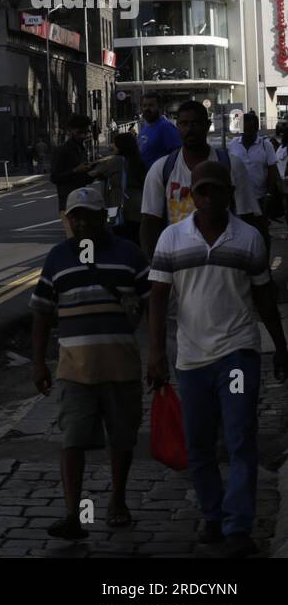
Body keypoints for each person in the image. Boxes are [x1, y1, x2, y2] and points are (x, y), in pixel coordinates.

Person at [148, 161, 288, 557]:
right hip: (191, 359)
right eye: (202, 191)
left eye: (216, 190)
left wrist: (280, 345)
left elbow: (264, 298)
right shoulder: (172, 240)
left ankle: (238, 524)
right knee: (199, 445)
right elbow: (157, 299)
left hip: (238, 353)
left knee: (241, 438)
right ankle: (212, 513)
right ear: (192, 195)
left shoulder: (249, 240)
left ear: (229, 192)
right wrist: (155, 352)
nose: (209, 198)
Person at [30, 187, 150, 540]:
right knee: (72, 440)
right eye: (74, 216)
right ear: (67, 220)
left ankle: (117, 499)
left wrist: (159, 353)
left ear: (104, 217)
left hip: (121, 367)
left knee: (122, 439)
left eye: (88, 216)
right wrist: (38, 363)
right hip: (74, 370)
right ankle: (72, 513)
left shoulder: (129, 256)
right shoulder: (57, 258)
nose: (81, 223)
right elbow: (41, 313)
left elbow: (154, 305)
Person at [140, 100, 260, 262]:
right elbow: (149, 223)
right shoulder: (161, 169)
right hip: (178, 260)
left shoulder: (232, 166)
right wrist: (154, 267)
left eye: (196, 123)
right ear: (177, 126)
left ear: (207, 125)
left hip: (225, 258)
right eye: (184, 123)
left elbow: (249, 217)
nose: (190, 129)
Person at [228, 112, 275, 253]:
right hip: (238, 199)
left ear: (256, 129)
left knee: (261, 234)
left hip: (259, 198)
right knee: (240, 235)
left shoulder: (266, 145)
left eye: (250, 130)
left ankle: (264, 266)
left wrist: (269, 193)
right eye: (244, 130)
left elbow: (272, 170)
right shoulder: (233, 144)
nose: (247, 134)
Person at [89, 133, 146, 245]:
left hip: (118, 208)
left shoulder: (115, 161)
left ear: (121, 146)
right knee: (135, 242)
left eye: (115, 145)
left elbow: (91, 174)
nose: (112, 148)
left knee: (118, 242)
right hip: (138, 207)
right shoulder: (139, 161)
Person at [51, 115, 94, 237]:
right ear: (70, 130)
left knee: (85, 239)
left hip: (83, 201)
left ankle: (86, 257)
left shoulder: (81, 149)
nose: (83, 136)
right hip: (68, 205)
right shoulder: (62, 150)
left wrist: (96, 171)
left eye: (86, 132)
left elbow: (84, 178)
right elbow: (54, 177)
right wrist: (75, 170)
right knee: (73, 240)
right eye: (79, 132)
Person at [137, 92, 182, 169]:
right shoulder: (144, 128)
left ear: (160, 107)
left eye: (151, 105)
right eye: (144, 106)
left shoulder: (166, 127)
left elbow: (178, 154)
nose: (147, 108)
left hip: (160, 178)